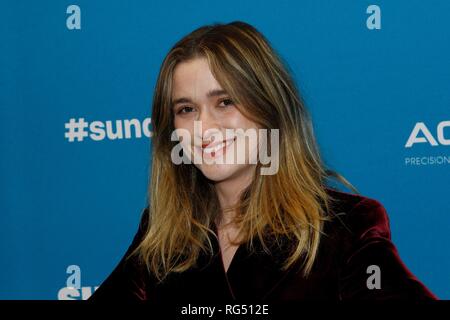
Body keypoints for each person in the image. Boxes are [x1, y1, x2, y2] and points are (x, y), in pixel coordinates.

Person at [89, 21, 437, 301]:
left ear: (269, 109)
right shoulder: (162, 234)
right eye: (186, 109)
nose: (203, 127)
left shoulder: (345, 228)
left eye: (224, 102)